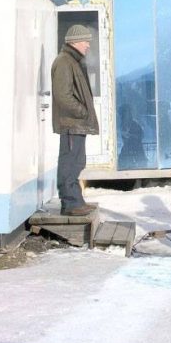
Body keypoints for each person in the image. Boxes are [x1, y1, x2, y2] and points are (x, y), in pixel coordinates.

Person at [51, 24, 99, 216]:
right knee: (70, 163)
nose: (88, 45)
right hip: (72, 123)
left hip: (76, 124)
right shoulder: (64, 62)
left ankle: (75, 201)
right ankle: (71, 204)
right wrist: (82, 112)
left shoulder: (73, 60)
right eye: (85, 41)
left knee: (76, 162)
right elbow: (63, 95)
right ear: (75, 42)